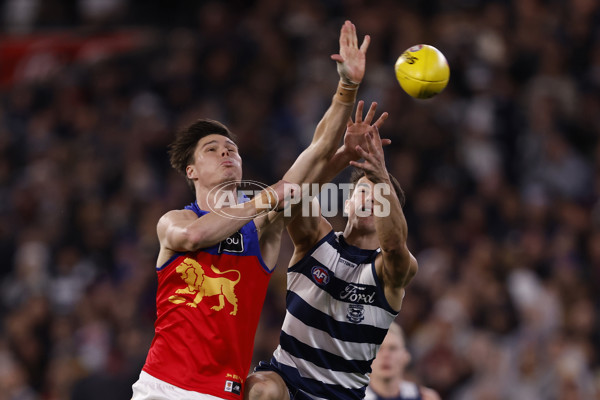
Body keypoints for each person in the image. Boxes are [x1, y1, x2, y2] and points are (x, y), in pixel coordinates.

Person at [130, 20, 371, 400]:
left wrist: (347, 86)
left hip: (224, 392)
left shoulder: (262, 224)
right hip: (162, 387)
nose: (226, 151)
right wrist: (271, 193)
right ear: (191, 171)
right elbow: (196, 237)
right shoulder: (176, 220)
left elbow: (317, 150)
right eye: (212, 148)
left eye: (232, 148)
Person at [244, 107, 419, 399]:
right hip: (286, 381)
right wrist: (341, 156)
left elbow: (394, 246)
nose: (370, 199)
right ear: (347, 202)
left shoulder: (391, 272)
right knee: (259, 389)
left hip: (341, 395)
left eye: (379, 196)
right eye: (363, 192)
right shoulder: (315, 239)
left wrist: (380, 175)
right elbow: (294, 191)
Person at [364, 322, 441, 400]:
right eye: (378, 349)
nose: (386, 355)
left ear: (405, 356)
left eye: (392, 348)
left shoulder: (424, 397)